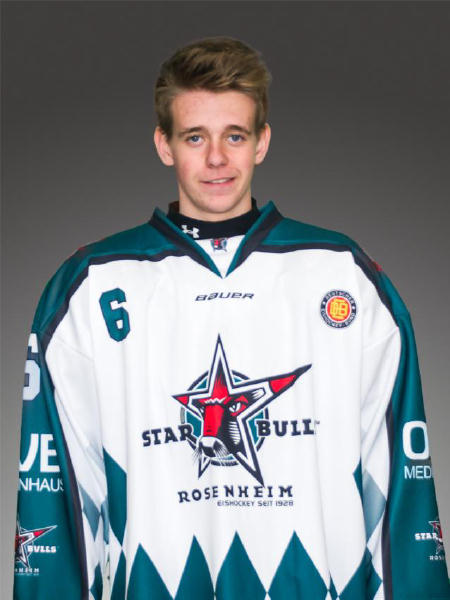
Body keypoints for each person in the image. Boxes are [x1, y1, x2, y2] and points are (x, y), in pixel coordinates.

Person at [13, 36, 449, 600]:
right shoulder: (90, 285)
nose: (216, 158)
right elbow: (57, 496)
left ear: (261, 142)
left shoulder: (344, 274)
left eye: (235, 136)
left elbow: (402, 484)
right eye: (195, 137)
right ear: (164, 145)